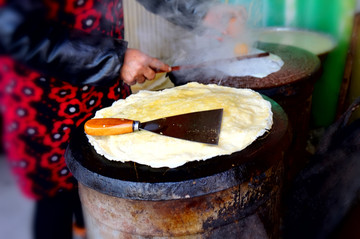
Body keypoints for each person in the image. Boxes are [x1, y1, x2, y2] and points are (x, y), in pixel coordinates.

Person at [0, 0, 246, 238]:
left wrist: (200, 10)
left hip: (104, 86)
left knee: (100, 182)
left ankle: (86, 228)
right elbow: (13, 30)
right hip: (46, 103)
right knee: (56, 202)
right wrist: (114, 59)